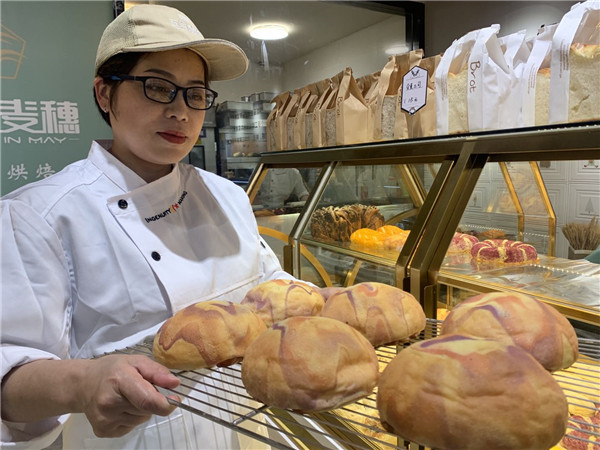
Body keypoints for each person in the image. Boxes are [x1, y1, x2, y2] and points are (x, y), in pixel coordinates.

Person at [0, 5, 323, 449]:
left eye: (196, 93)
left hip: (249, 431)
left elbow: (269, 289)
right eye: (157, 87)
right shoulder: (40, 215)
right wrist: (84, 382)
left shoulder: (226, 195)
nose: (181, 111)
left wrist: (329, 303)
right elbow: (9, 373)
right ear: (104, 94)